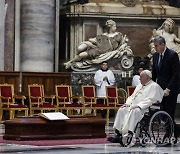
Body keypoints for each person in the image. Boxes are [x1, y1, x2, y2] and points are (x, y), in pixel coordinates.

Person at [108, 70, 164, 144]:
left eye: (141, 77)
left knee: (135, 111)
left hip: (145, 108)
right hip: (133, 106)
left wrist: (138, 105)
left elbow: (151, 99)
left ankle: (130, 133)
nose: (139, 79)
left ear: (147, 78)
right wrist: (127, 103)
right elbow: (132, 97)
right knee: (122, 109)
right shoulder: (139, 85)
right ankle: (118, 133)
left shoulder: (154, 86)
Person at [64, 19, 133, 70]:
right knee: (80, 50)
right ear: (111, 27)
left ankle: (71, 62)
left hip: (105, 52)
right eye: (114, 26)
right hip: (97, 49)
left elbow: (122, 44)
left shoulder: (118, 35)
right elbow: (94, 40)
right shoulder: (103, 35)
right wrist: (91, 41)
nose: (115, 27)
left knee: (82, 55)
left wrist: (124, 44)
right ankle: (70, 62)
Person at [152, 35, 180, 143]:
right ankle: (177, 130)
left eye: (156, 46)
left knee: (169, 113)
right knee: (163, 114)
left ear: (163, 45)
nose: (155, 48)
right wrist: (152, 86)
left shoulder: (172, 55)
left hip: (171, 89)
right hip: (160, 89)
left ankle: (167, 138)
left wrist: (168, 88)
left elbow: (176, 74)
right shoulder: (155, 56)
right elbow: (154, 73)